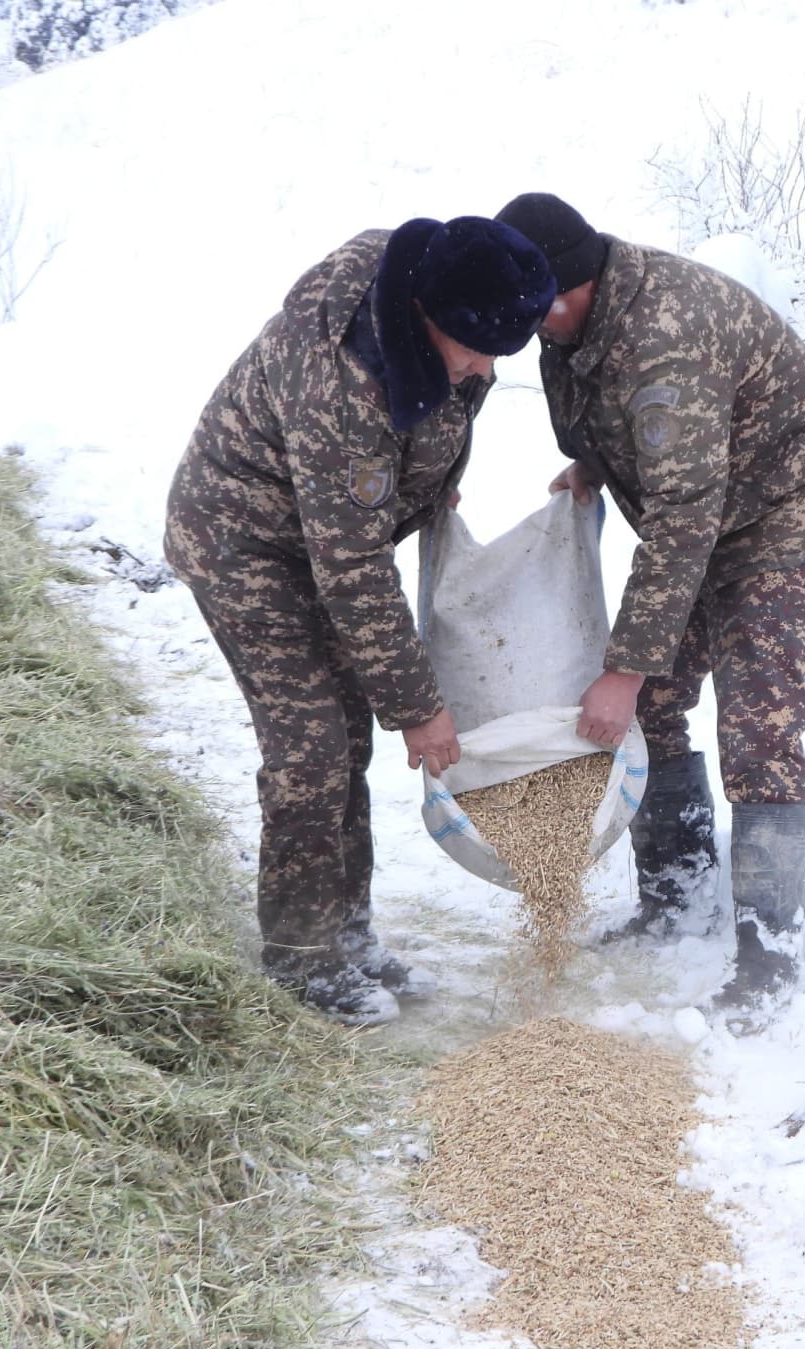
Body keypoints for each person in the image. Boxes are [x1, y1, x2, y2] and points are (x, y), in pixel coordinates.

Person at [164, 216, 554, 1024]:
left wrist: (424, 485)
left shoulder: (435, 287)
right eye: (478, 351)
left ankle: (347, 931)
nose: (485, 370)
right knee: (310, 748)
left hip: (328, 530)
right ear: (432, 319)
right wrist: (420, 708)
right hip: (244, 543)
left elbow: (425, 424)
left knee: (345, 732)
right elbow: (350, 567)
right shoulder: (340, 385)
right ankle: (302, 960)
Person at [494, 191, 805, 1020]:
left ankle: (772, 950)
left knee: (758, 720)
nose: (530, 330)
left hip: (784, 504)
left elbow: (683, 518)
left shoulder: (667, 338)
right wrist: (593, 461)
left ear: (568, 287)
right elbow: (604, 415)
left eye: (535, 312)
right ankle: (676, 894)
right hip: (701, 507)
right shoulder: (569, 322)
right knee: (655, 701)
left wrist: (622, 669)